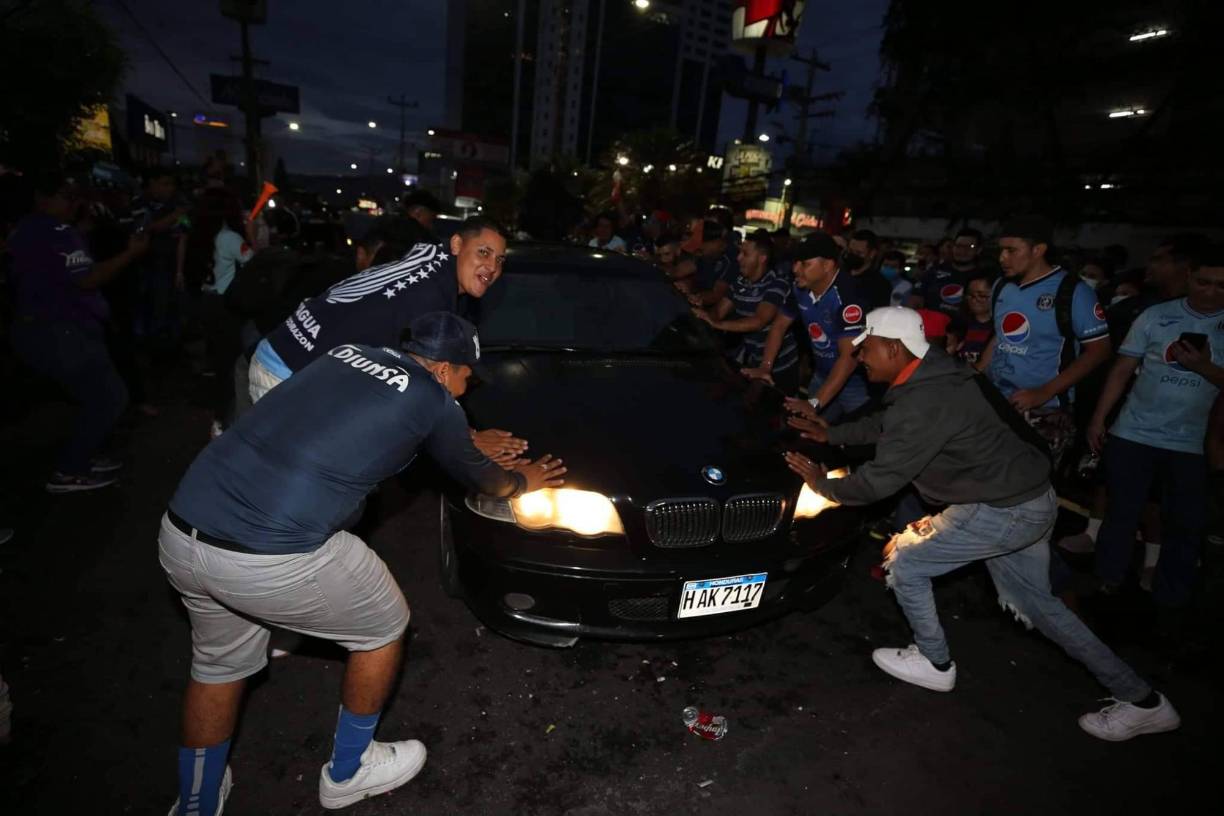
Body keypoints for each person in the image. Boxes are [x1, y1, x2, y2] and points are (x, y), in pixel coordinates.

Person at [159, 312, 568, 815]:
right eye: (467, 375)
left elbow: (352, 427)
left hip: (183, 529)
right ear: (443, 369)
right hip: (270, 556)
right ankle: (349, 773)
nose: (467, 387)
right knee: (384, 628)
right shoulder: (434, 398)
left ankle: (197, 802)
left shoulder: (345, 354)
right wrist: (525, 480)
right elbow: (486, 481)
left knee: (218, 667)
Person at [785, 306, 1180, 741]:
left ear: (894, 349)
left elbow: (879, 482)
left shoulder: (925, 400)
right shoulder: (932, 371)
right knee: (1041, 607)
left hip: (1001, 510)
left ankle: (934, 663)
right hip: (1026, 497)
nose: (860, 356)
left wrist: (823, 485)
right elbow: (886, 423)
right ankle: (1144, 702)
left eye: (867, 348)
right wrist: (833, 434)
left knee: (907, 560)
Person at [249, 216, 526, 464]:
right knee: (314, 489)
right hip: (288, 373)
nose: (492, 266)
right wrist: (468, 439)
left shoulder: (431, 262)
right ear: (456, 244)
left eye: (500, 259)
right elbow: (426, 388)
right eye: (483, 252)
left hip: (288, 354)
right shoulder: (430, 298)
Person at [1087, 250, 1224, 610]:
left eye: (1221, 286)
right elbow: (1121, 369)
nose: (1210, 292)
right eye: (1203, 282)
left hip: (1193, 443)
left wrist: (1205, 368)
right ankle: (1107, 581)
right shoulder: (1157, 315)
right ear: (1190, 277)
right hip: (1133, 433)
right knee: (1121, 513)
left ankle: (1171, 596)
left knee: (1184, 523)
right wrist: (1100, 417)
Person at [7, 173, 149, 492]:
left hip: (49, 327)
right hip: (61, 330)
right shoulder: (55, 231)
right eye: (67, 196)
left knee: (95, 397)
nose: (76, 203)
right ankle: (69, 469)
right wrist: (131, 253)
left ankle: (83, 455)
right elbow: (86, 279)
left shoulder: (29, 230)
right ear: (43, 198)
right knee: (110, 397)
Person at [978, 216, 1112, 471]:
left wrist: (1045, 391)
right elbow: (1000, 335)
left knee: (1025, 491)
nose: (1002, 258)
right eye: (1000, 250)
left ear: (1038, 250)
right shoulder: (1001, 286)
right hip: (997, 404)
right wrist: (977, 375)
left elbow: (1099, 350)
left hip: (1045, 411)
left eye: (1011, 250)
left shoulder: (1073, 291)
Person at [746, 232, 871, 420]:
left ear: (827, 265)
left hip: (855, 383)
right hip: (821, 375)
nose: (795, 269)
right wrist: (765, 367)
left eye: (805, 264)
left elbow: (849, 357)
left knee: (857, 439)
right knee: (806, 429)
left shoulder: (848, 296)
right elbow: (779, 325)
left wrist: (814, 402)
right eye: (796, 262)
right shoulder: (800, 288)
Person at [692, 230, 800, 394]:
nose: (738, 258)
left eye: (745, 254)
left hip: (780, 368)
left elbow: (759, 321)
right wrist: (701, 314)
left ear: (762, 258)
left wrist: (717, 324)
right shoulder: (740, 282)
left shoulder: (777, 284)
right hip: (754, 362)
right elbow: (718, 312)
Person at [916, 227, 982, 317]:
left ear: (979, 250)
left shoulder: (983, 277)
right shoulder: (933, 272)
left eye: (969, 247)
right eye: (958, 246)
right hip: (931, 328)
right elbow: (915, 301)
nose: (962, 251)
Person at [844, 229, 891, 309]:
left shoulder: (880, 284)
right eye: (850, 251)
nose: (853, 255)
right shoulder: (837, 275)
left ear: (872, 254)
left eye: (859, 253)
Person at [955, 272, 995, 364]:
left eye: (982, 296)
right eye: (971, 295)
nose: (975, 300)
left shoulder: (1000, 329)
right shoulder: (958, 324)